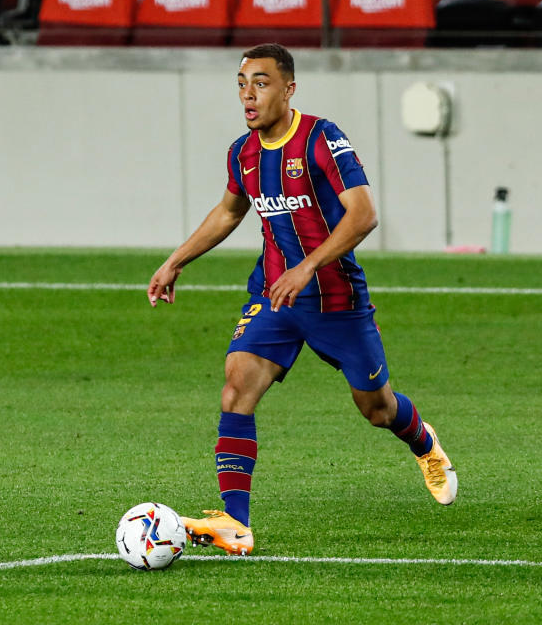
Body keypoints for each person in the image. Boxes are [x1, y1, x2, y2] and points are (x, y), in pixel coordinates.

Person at [147, 43, 456, 556]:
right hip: (275, 297)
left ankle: (423, 441)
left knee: (376, 409)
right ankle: (235, 522)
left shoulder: (321, 138)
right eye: (242, 83)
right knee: (236, 387)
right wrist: (176, 260)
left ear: (289, 89)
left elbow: (363, 215)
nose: (249, 94)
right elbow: (229, 212)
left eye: (262, 82)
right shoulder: (242, 153)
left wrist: (308, 265)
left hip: (336, 301)